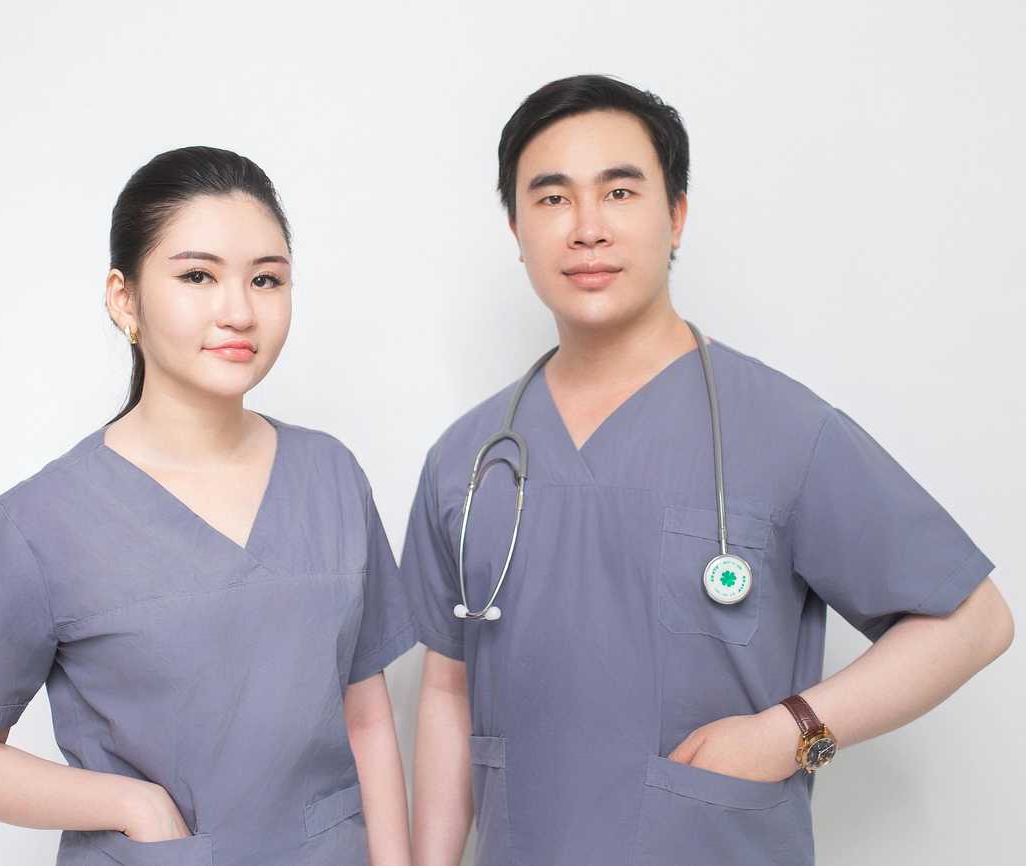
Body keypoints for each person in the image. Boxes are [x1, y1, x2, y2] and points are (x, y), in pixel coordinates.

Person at [402, 75, 1014, 865]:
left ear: (676, 215)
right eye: (551, 199)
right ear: (517, 230)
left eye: (619, 191)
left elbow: (976, 622)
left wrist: (790, 735)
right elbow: (448, 694)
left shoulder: (786, 431)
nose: (586, 229)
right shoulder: (469, 458)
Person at [0, 146, 416, 866]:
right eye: (197, 276)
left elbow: (366, 717)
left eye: (266, 279)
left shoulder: (330, 476)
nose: (239, 310)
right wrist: (130, 804)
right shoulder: (39, 525)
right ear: (125, 299)